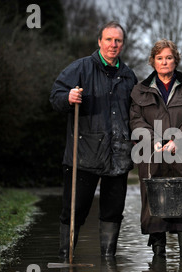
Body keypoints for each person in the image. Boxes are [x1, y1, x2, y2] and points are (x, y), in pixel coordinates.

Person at [50, 21, 138, 259]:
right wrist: (68, 97)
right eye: (108, 39)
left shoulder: (129, 76)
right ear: (99, 42)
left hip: (118, 156)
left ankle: (108, 263)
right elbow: (55, 96)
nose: (113, 45)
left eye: (118, 40)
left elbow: (137, 114)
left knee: (113, 212)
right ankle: (65, 257)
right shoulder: (80, 68)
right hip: (83, 154)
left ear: (122, 44)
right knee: (74, 211)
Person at [130, 39, 182, 258]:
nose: (165, 62)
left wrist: (179, 138)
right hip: (152, 153)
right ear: (152, 61)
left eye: (169, 58)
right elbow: (135, 119)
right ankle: (158, 255)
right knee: (154, 201)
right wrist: (152, 139)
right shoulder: (140, 90)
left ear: (176, 60)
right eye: (160, 58)